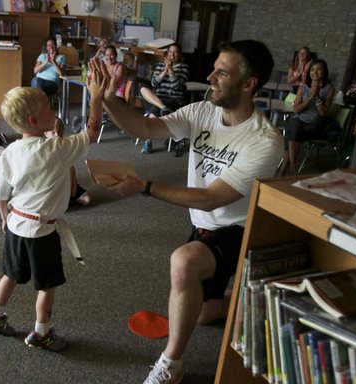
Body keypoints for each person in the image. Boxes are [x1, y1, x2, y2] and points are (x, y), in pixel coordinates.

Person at [95, 40, 284, 383]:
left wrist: (146, 187)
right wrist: (109, 100)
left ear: (248, 83)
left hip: (238, 232)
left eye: (221, 72)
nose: (210, 76)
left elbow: (212, 198)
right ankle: (241, 295)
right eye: (214, 67)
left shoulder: (264, 141)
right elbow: (145, 129)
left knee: (184, 264)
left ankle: (172, 363)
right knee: (202, 314)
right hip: (202, 225)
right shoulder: (201, 112)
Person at [0, 60, 106, 352]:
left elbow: (1, 195)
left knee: (10, 274)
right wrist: (96, 97)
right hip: (41, 232)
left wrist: (3, 220)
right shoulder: (56, 149)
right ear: (35, 121)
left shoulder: (9, 152)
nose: (55, 112)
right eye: (49, 109)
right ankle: (41, 333)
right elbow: (92, 132)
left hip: (14, 223)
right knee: (46, 285)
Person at [278, 59, 335, 177]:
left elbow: (323, 113)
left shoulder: (329, 89)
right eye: (312, 70)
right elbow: (296, 109)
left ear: (324, 72)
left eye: (319, 69)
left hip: (315, 124)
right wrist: (309, 98)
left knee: (293, 133)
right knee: (294, 128)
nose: (315, 72)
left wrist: (318, 97)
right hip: (299, 119)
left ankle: (283, 171)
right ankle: (293, 170)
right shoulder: (303, 88)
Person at [139, 43, 190, 154]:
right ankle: (163, 107)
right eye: (170, 52)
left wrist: (171, 70)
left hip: (174, 100)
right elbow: (153, 83)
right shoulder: (161, 66)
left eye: (175, 52)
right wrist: (165, 71)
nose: (172, 55)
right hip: (158, 99)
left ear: (180, 54)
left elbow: (176, 86)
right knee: (143, 87)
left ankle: (148, 142)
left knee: (152, 114)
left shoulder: (184, 68)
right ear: (167, 54)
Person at [45, 117, 92, 206]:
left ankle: (66, 201)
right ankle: (63, 202)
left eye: (60, 132)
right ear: (46, 133)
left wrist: (74, 185)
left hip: (68, 183)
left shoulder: (65, 145)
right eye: (53, 133)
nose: (57, 136)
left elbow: (72, 169)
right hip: (55, 186)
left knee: (87, 199)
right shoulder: (45, 150)